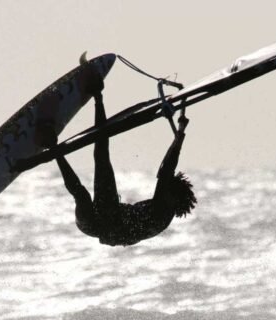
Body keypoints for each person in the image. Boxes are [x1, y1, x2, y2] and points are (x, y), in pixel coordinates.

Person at [48, 62, 196, 247]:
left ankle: (54, 145)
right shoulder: (165, 210)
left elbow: (167, 169)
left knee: (93, 175)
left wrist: (180, 135)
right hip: (102, 221)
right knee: (93, 175)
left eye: (167, 186)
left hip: (98, 223)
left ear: (174, 197)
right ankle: (94, 101)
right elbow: (165, 172)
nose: (163, 185)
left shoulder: (162, 209)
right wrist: (178, 135)